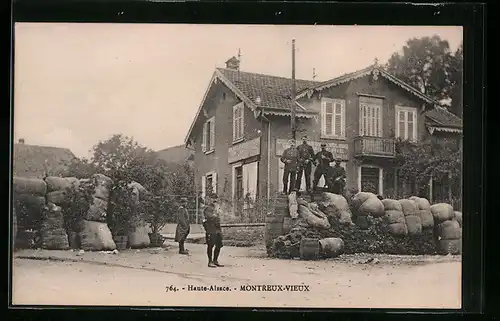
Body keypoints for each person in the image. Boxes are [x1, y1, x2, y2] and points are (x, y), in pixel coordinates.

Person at [202, 194, 224, 268]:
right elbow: (209, 217)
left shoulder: (217, 208)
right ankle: (210, 261)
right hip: (211, 230)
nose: (214, 200)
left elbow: (220, 217)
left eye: (216, 199)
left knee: (219, 245)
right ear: (209, 199)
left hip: (217, 230)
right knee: (210, 246)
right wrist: (216, 214)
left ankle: (215, 260)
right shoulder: (207, 208)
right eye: (213, 198)